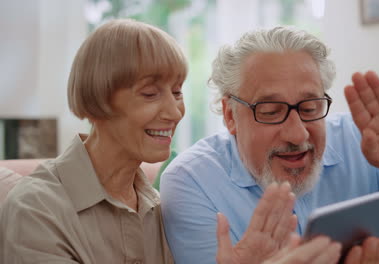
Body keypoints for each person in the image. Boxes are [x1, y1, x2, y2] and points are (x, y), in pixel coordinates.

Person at [0, 19, 344, 264]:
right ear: (97, 100)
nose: (174, 111)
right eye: (150, 93)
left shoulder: (160, 207)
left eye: (177, 92)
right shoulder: (37, 209)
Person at [160, 26, 379, 264]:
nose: (297, 135)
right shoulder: (191, 181)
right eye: (271, 112)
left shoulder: (363, 140)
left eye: (309, 108)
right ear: (230, 115)